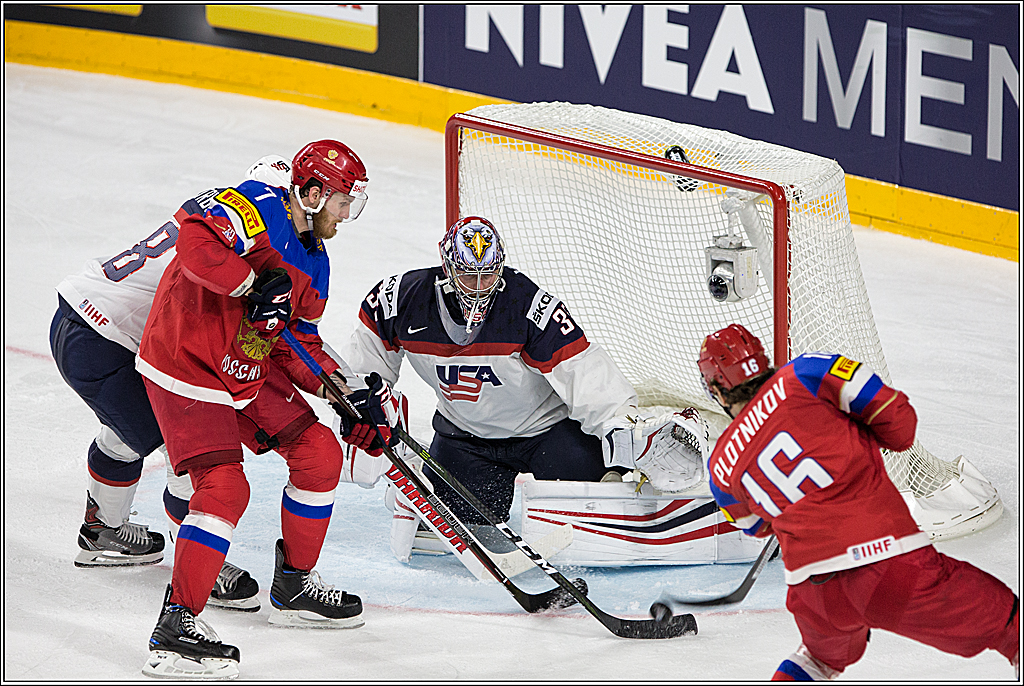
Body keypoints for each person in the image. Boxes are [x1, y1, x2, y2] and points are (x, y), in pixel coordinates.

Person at [136, 140, 396, 680]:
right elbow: (194, 238)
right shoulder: (261, 205)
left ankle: (294, 586)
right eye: (343, 201)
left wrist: (346, 394)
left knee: (320, 453)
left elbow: (298, 342)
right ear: (312, 193)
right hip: (187, 362)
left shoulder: (316, 262)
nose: (346, 214)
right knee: (225, 487)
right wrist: (253, 283)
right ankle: (176, 626)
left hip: (245, 367)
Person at [343, 215, 706, 561]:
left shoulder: (527, 305)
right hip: (465, 439)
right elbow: (365, 370)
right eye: (468, 275)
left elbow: (583, 371)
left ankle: (607, 478)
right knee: (460, 528)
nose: (479, 286)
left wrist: (623, 430)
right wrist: (363, 407)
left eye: (488, 274)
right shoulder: (400, 301)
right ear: (448, 267)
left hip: (546, 434)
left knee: (596, 508)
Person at [698, 323, 1019, 681]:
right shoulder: (807, 370)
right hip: (887, 563)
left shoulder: (720, 465)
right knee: (1008, 622)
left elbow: (757, 527)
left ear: (717, 390)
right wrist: (857, 439)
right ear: (761, 358)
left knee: (818, 660)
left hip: (814, 592)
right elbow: (900, 424)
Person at [50, 155, 298, 612]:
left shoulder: (219, 215)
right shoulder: (247, 234)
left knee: (126, 431)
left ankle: (102, 530)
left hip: (82, 318)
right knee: (190, 449)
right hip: (106, 338)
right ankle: (202, 566)